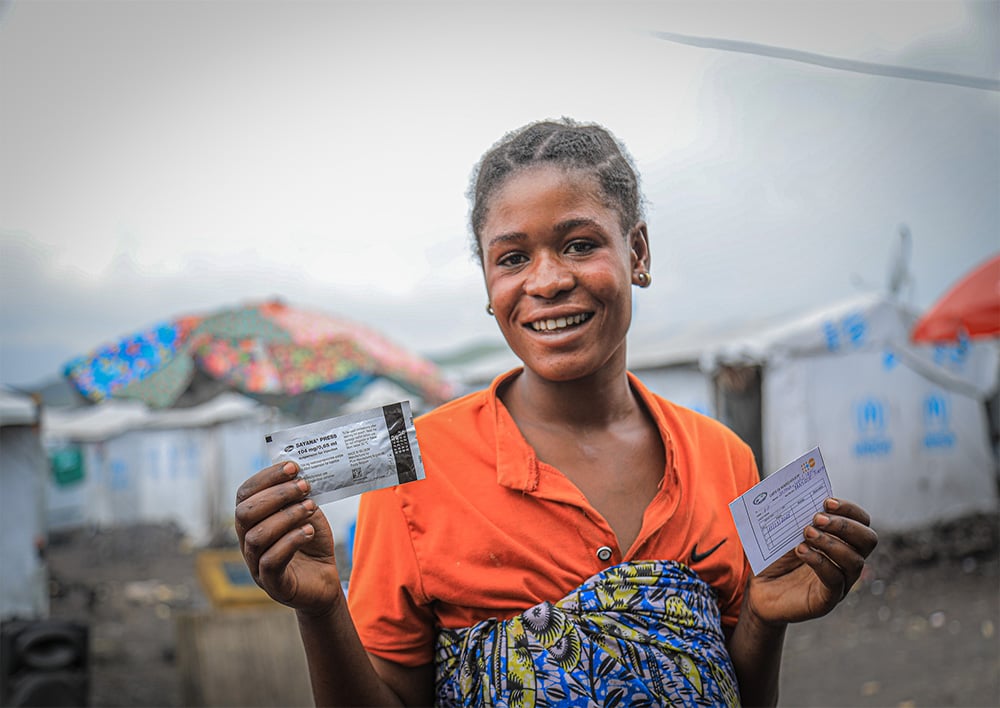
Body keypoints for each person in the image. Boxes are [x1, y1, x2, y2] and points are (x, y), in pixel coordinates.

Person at [235, 118, 878, 707]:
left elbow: (731, 691)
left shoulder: (724, 458)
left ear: (639, 254)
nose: (546, 281)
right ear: (488, 285)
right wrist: (320, 612)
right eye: (512, 258)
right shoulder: (414, 471)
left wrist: (767, 619)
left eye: (578, 244)